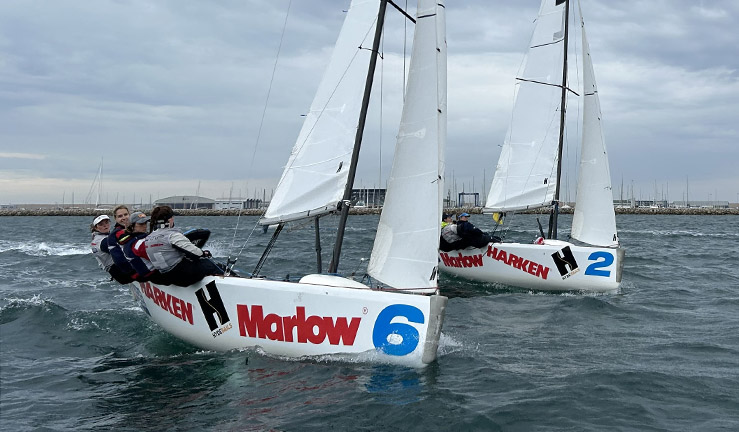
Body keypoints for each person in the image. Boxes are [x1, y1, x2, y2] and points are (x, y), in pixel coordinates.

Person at [144, 205, 224, 287]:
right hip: (181, 277)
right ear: (169, 219)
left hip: (165, 276)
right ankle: (229, 281)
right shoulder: (172, 235)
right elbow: (196, 253)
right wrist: (204, 253)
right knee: (207, 264)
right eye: (172, 217)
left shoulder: (148, 238)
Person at [119, 212, 166, 283]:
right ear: (132, 226)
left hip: (142, 275)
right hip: (152, 275)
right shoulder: (139, 243)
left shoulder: (129, 240)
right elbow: (159, 258)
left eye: (145, 223)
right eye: (141, 224)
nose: (144, 226)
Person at [90, 214, 134, 283]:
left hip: (116, 270)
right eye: (101, 224)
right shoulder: (101, 241)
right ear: (96, 228)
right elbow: (118, 248)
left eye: (107, 222)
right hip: (119, 271)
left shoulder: (99, 237)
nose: (105, 225)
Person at [106, 205, 138, 284]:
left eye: (126, 214)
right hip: (133, 271)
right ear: (115, 219)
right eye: (120, 216)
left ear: (129, 215)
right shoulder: (115, 234)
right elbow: (119, 259)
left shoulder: (137, 227)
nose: (124, 218)